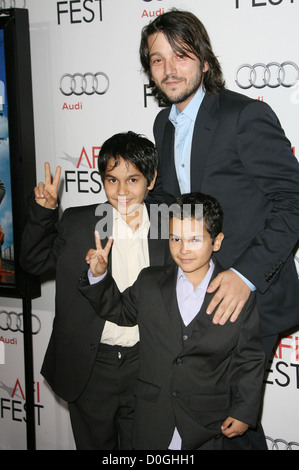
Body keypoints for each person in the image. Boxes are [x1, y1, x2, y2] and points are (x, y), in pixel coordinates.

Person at [139, 9, 299, 385]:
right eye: (157, 59)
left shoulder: (244, 115)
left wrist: (246, 276)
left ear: (205, 61)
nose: (169, 69)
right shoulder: (164, 123)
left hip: (250, 296)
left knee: (234, 427)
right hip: (196, 292)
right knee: (206, 424)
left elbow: (293, 200)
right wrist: (134, 212)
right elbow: (169, 199)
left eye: (181, 55)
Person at [20, 131, 172, 450]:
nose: (122, 191)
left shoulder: (168, 222)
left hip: (145, 363)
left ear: (152, 179)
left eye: (133, 179)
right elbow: (33, 262)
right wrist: (44, 212)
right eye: (112, 180)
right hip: (90, 366)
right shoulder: (79, 223)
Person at [79, 192, 266, 450]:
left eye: (194, 239)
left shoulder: (235, 293)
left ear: (217, 241)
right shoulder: (150, 282)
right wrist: (98, 276)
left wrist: (244, 411)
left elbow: (249, 357)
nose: (183, 248)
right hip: (153, 421)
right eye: (175, 238)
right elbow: (120, 311)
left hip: (208, 426)